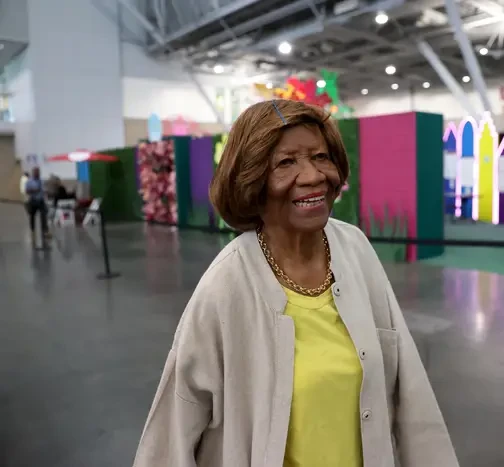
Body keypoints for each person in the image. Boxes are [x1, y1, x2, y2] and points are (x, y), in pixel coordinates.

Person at [133, 100, 459, 467]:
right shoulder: (226, 284)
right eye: (286, 162)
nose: (312, 175)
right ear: (252, 179)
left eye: (321, 157)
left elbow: (408, 386)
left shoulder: (354, 249)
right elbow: (172, 433)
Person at [24, 167, 49, 246]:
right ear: (33, 173)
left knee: (43, 215)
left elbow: (44, 190)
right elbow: (27, 191)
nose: (37, 173)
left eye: (38, 172)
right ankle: (32, 232)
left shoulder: (41, 181)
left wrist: (45, 193)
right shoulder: (29, 181)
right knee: (32, 216)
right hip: (33, 200)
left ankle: (45, 231)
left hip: (41, 201)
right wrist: (34, 190)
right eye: (36, 172)